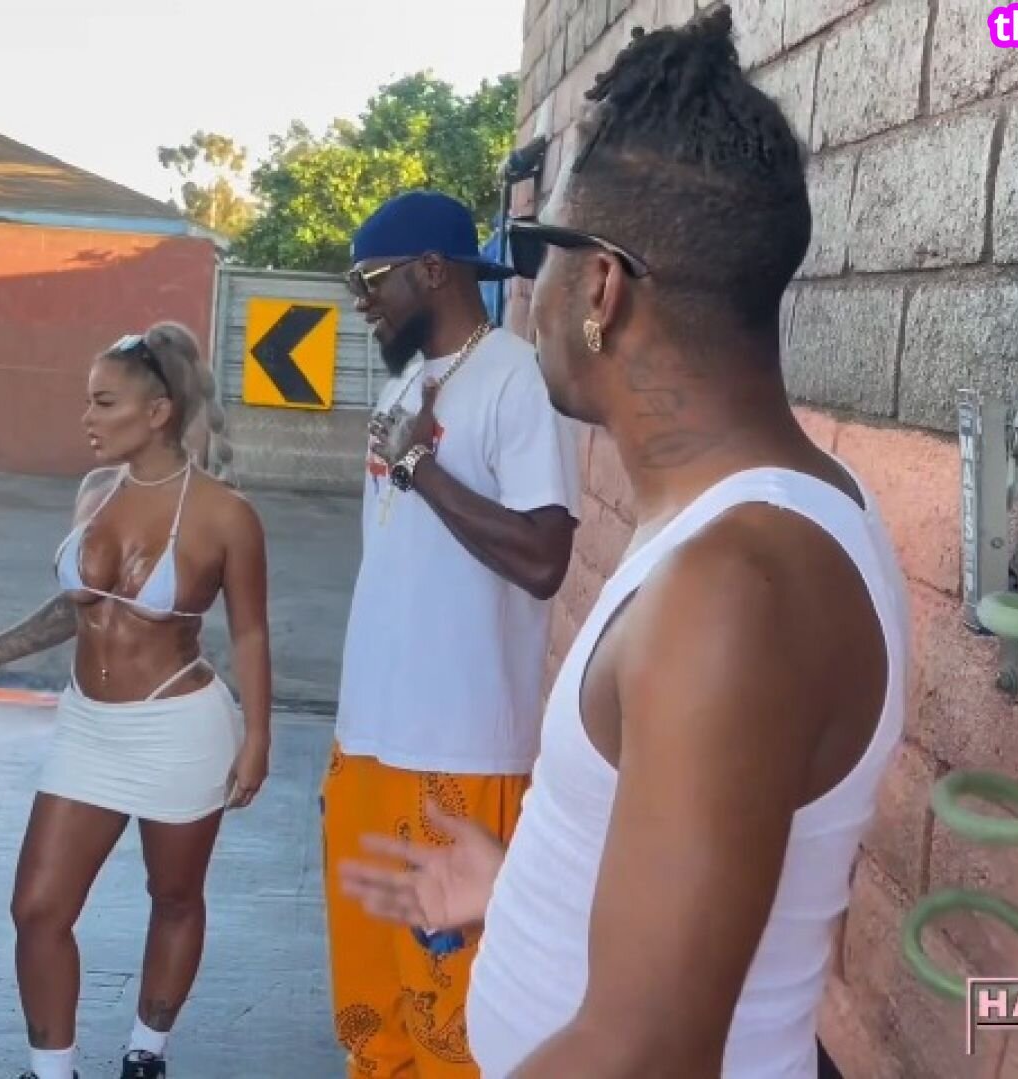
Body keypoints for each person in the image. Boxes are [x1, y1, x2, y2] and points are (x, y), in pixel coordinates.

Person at [336, 9, 910, 1078]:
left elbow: (645, 1053)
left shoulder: (733, 586)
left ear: (600, 285)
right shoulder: (749, 528)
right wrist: (523, 888)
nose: (529, 294)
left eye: (536, 255)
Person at [0, 322, 272, 1079]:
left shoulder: (224, 515)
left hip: (180, 728)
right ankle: (53, 1070)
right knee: (38, 908)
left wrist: (258, 739)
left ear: (158, 412)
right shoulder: (94, 491)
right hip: (88, 727)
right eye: (87, 400)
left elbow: (249, 631)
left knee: (174, 897)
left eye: (104, 402)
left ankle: (147, 1053)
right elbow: (80, 605)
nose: (86, 417)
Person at [322, 189, 581, 1077]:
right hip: (367, 745)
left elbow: (545, 557)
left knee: (454, 1021)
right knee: (373, 1011)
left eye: (371, 279)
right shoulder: (404, 383)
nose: (361, 299)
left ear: (433, 270)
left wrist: (420, 466)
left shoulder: (517, 379)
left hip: (458, 754)